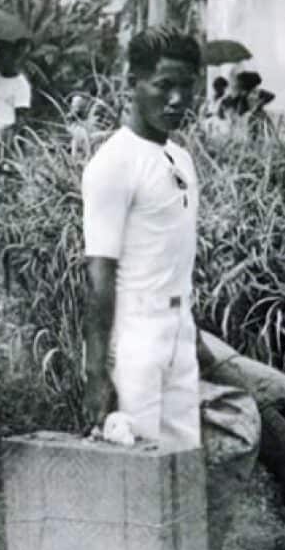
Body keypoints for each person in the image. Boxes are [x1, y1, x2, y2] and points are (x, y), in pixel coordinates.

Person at [82, 27, 207, 452]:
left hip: (179, 331)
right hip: (134, 334)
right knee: (134, 474)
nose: (176, 100)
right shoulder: (113, 163)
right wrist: (97, 372)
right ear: (132, 83)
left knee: (183, 462)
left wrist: (186, 330)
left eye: (186, 87)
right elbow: (100, 272)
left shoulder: (180, 158)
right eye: (163, 86)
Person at [0, 41, 31, 166]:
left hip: (9, 129)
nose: (1, 61)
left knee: (7, 167)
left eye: (4, 57)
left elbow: (21, 115)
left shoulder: (21, 84)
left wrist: (12, 137)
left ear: (14, 58)